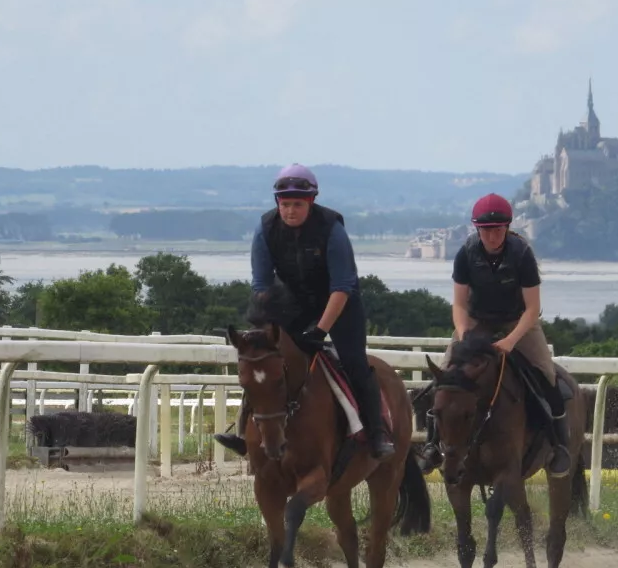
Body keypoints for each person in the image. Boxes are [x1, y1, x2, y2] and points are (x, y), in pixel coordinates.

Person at [216, 163, 395, 462]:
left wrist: (320, 330)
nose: (290, 211)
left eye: (297, 204)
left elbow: (342, 286)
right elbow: (261, 285)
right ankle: (242, 429)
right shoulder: (265, 229)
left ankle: (377, 433)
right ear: (277, 204)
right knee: (263, 361)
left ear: (311, 202)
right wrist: (263, 331)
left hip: (340, 305)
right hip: (293, 304)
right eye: (285, 205)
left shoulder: (332, 229)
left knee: (353, 362)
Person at [420, 193, 571, 478]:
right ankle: (431, 445)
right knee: (444, 376)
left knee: (547, 374)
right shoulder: (466, 253)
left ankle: (559, 445)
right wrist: (464, 334)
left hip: (518, 321)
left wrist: (511, 341)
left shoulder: (521, 253)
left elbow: (533, 309)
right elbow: (460, 304)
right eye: (486, 230)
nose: (492, 235)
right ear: (477, 229)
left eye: (499, 229)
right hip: (476, 322)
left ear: (508, 227)